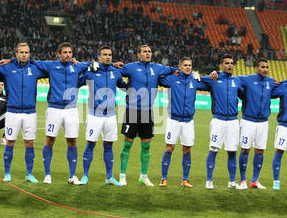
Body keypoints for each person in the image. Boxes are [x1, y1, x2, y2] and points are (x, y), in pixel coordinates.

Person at [213, 59, 279, 190]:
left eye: (267, 67)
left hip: (263, 122)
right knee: (245, 149)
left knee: (260, 151)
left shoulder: (270, 81)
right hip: (248, 121)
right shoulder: (246, 79)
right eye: (262, 67)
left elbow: (284, 85)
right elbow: (229, 77)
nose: (265, 69)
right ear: (256, 68)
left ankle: (255, 180)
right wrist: (215, 72)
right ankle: (243, 180)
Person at [118, 44, 178, 186]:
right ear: (138, 54)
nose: (148, 53)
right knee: (128, 144)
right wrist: (125, 87)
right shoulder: (131, 67)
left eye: (149, 51)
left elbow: (174, 69)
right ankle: (122, 175)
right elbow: (115, 73)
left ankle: (143, 176)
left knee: (146, 145)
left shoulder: (157, 68)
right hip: (132, 110)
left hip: (148, 111)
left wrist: (179, 71)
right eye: (145, 51)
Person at [33, 42, 91, 185]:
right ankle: (47, 174)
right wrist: (11, 60)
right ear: (59, 54)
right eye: (64, 52)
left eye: (70, 52)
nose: (67, 55)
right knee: (50, 140)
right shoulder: (51, 65)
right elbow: (31, 61)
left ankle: (72, 176)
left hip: (71, 110)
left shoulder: (77, 66)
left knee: (72, 141)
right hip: (54, 109)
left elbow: (92, 63)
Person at [0, 43, 47, 183]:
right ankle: (7, 173)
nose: (24, 54)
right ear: (16, 54)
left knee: (29, 143)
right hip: (13, 113)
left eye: (26, 52)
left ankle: (29, 174)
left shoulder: (35, 68)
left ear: (29, 54)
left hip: (30, 113)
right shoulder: (7, 68)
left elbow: (51, 67)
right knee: (10, 142)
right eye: (21, 52)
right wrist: (9, 61)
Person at [78, 45, 127, 186]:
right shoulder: (92, 72)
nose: (107, 57)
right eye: (104, 55)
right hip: (95, 115)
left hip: (111, 116)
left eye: (110, 55)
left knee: (109, 146)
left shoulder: (116, 72)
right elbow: (77, 82)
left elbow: (124, 86)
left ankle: (109, 177)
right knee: (90, 144)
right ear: (99, 57)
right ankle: (85, 176)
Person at [158, 57, 208, 188]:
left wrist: (206, 76)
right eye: (185, 65)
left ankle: (185, 179)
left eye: (190, 65)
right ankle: (164, 178)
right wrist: (171, 72)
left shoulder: (194, 80)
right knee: (169, 148)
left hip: (188, 122)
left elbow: (209, 83)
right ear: (179, 66)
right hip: (173, 120)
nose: (188, 67)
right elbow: (159, 78)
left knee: (187, 149)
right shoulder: (172, 79)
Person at [200, 55, 243, 189]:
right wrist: (213, 73)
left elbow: (244, 93)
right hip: (218, 120)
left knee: (232, 151)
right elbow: (199, 79)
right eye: (227, 63)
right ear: (221, 65)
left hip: (233, 121)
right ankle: (209, 181)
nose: (230, 65)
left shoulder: (237, 81)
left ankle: (231, 181)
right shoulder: (214, 78)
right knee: (213, 150)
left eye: (231, 63)